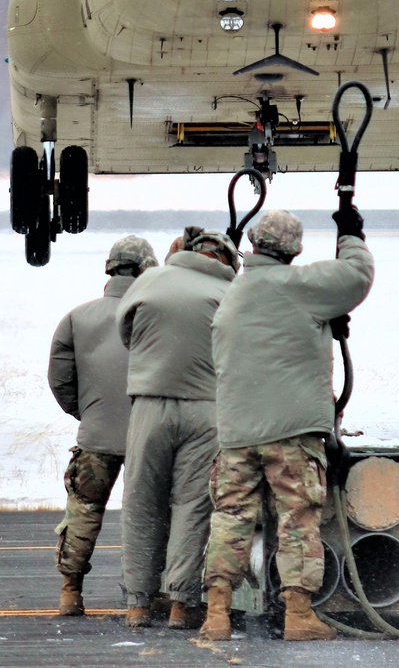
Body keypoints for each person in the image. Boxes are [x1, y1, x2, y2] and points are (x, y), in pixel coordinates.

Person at [200, 206, 374, 642]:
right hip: (291, 432)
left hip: (237, 432)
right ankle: (298, 616)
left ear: (255, 244)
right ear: (294, 250)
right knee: (297, 519)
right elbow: (356, 277)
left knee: (231, 518)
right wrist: (351, 234)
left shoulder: (235, 294)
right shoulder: (300, 285)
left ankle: (217, 614)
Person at [117, 226, 239, 630]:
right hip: (207, 410)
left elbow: (125, 332)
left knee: (141, 501)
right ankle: (181, 604)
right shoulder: (230, 294)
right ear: (225, 259)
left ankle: (137, 603)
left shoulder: (151, 280)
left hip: (150, 405)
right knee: (192, 505)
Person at [47, 235, 158, 617]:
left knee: (83, 512)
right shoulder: (156, 313)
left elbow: (60, 380)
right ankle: (142, 601)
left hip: (96, 434)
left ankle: (70, 592)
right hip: (152, 435)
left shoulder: (77, 318)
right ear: (147, 268)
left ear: (109, 270)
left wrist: (88, 412)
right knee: (149, 514)